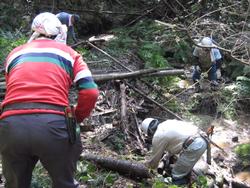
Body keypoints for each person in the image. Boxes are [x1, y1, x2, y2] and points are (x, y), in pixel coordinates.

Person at [0, 12, 99, 188]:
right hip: (54, 124)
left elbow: (11, 92)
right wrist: (77, 117)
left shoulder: (13, 54)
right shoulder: (71, 54)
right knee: (65, 183)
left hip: (10, 125)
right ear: (59, 33)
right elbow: (90, 92)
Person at [140, 118, 207, 185]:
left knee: (176, 175)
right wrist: (166, 156)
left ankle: (182, 183)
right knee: (181, 168)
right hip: (201, 139)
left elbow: (154, 160)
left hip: (195, 145)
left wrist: (145, 166)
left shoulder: (157, 136)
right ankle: (188, 177)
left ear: (149, 131)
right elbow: (175, 143)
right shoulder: (166, 123)